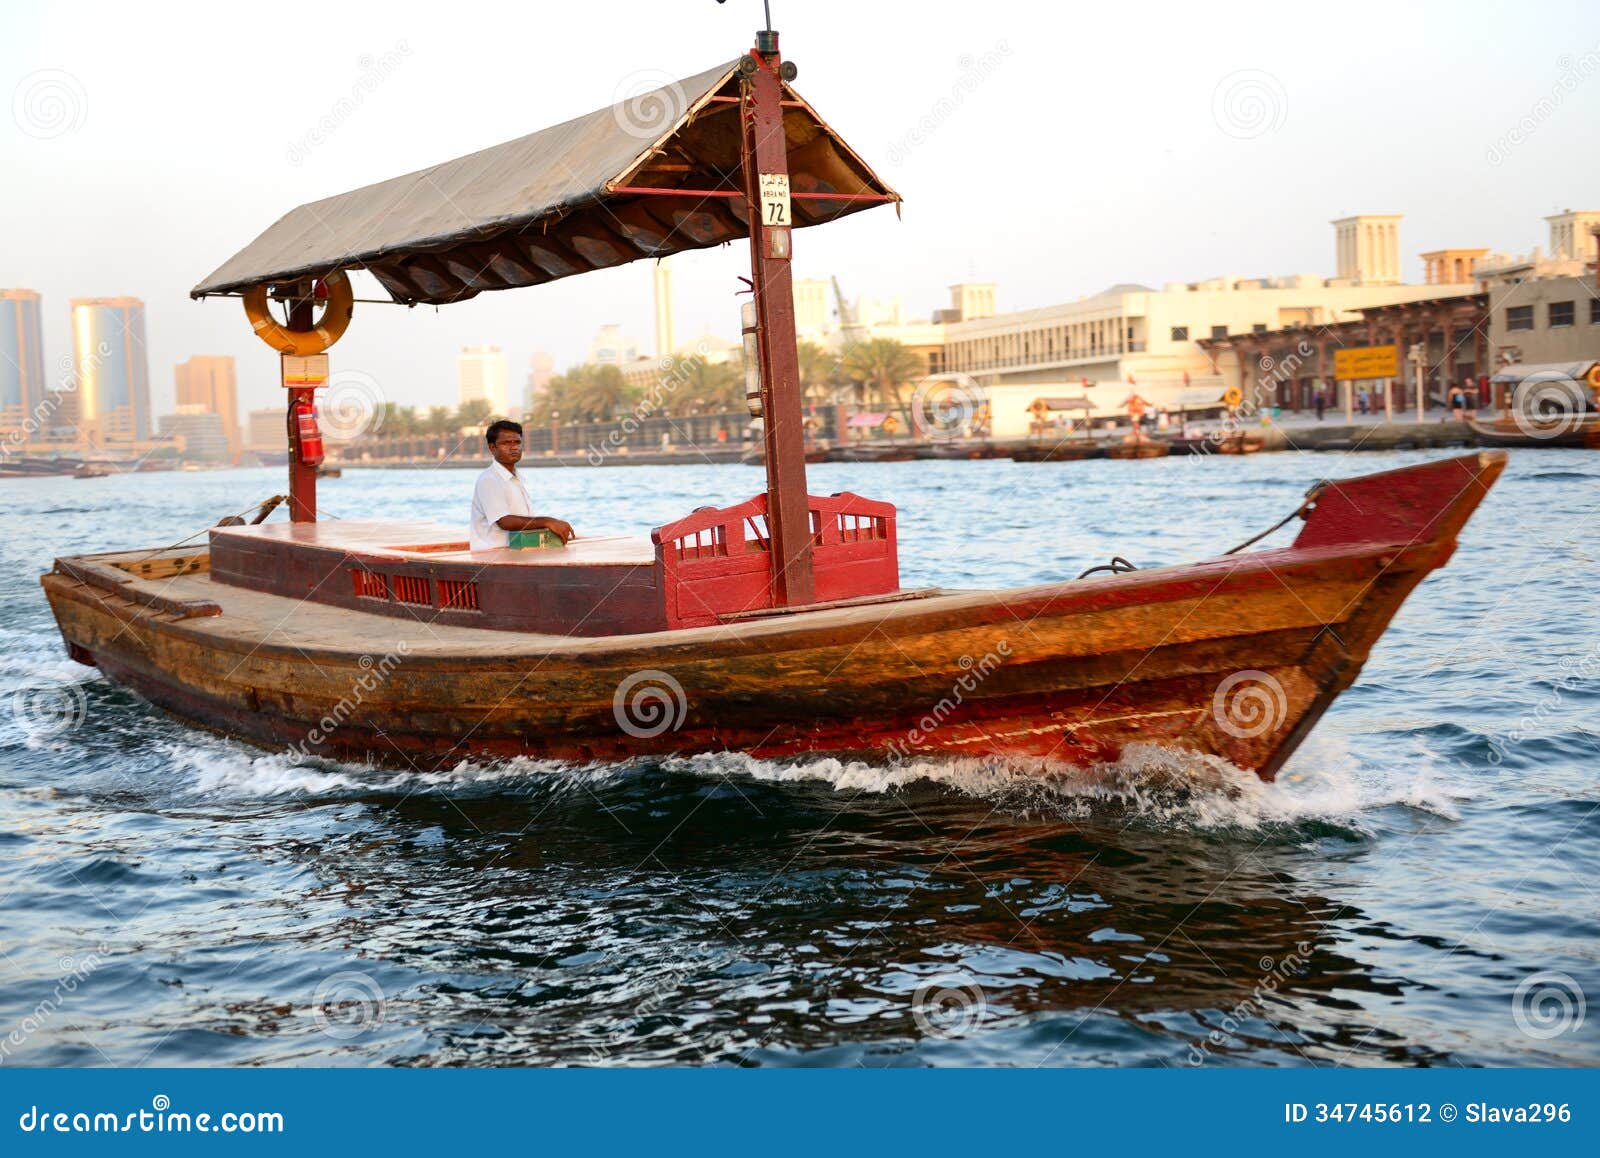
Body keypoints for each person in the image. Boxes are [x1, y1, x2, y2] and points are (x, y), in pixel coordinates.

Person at [470, 419, 574, 552]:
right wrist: (548, 522)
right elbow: (505, 521)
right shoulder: (489, 479)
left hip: (517, 549)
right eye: (506, 443)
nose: (514, 447)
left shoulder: (516, 477)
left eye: (517, 442)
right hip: (492, 554)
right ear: (492, 447)